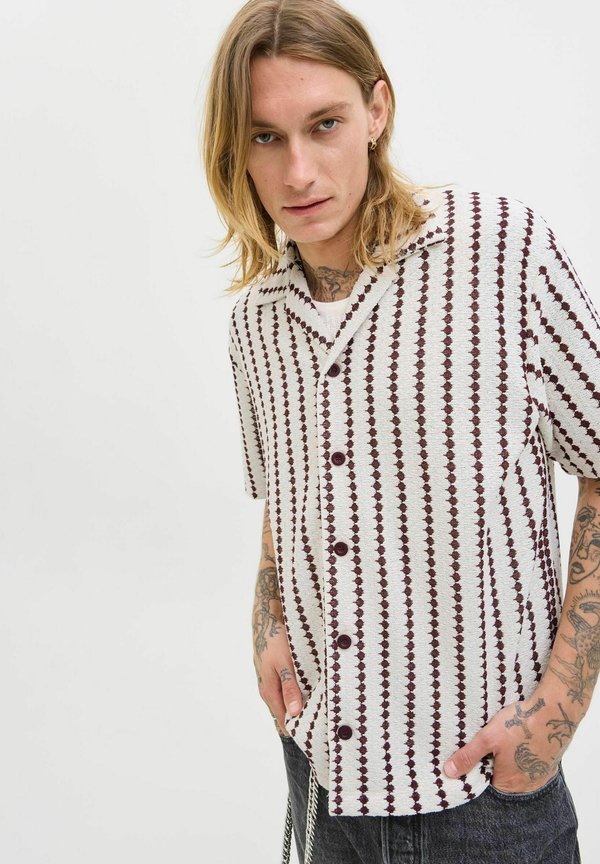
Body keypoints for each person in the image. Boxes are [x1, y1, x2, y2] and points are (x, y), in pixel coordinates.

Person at [201, 1, 600, 861]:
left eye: (325, 124)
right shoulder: (255, 324)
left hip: (483, 795)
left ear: (376, 109)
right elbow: (289, 495)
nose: (299, 170)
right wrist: (268, 621)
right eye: (265, 137)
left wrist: (559, 706)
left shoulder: (501, 251)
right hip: (321, 774)